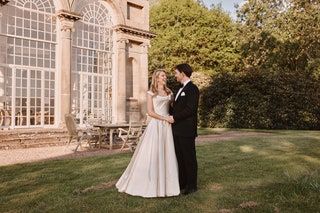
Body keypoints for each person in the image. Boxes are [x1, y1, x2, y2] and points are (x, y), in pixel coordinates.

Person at [116, 69, 180, 198]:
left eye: (165, 75)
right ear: (156, 78)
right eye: (162, 75)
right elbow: (150, 112)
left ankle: (168, 185)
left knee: (167, 153)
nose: (165, 77)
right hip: (156, 125)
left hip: (167, 126)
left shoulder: (169, 92)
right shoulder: (151, 93)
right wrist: (164, 118)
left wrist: (171, 117)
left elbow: (174, 107)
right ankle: (148, 183)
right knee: (153, 153)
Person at [169, 63, 200, 195]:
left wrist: (174, 117)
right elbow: (177, 108)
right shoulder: (178, 89)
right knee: (179, 157)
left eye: (176, 73)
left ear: (182, 73)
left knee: (189, 158)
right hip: (176, 130)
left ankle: (192, 185)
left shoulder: (193, 89)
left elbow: (190, 109)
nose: (175, 75)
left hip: (187, 130)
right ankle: (182, 183)